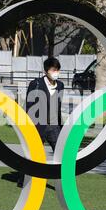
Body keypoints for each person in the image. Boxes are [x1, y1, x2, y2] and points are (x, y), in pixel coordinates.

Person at [16, 57, 65, 187]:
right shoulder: (36, 84)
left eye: (58, 69)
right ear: (46, 71)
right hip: (38, 126)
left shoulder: (60, 85)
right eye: (53, 69)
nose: (56, 72)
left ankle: (63, 182)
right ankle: (22, 179)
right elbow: (29, 105)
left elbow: (57, 105)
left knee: (62, 155)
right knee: (32, 155)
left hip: (55, 127)